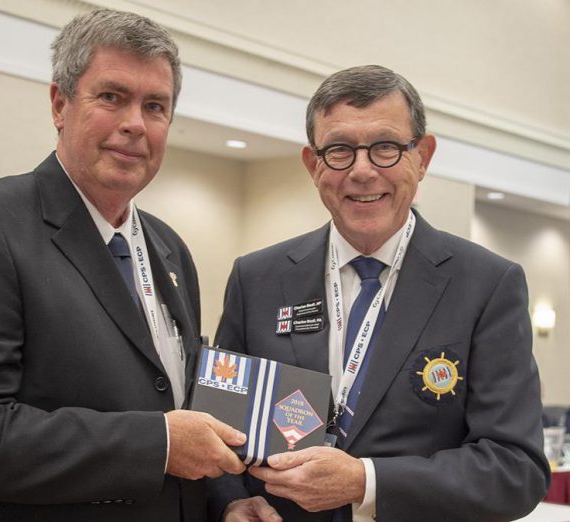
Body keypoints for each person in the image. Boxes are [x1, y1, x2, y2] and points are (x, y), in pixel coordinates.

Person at [0, 8, 247, 522]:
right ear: (60, 103)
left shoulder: (170, 249)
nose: (134, 124)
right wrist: (158, 443)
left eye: (155, 106)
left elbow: (183, 408)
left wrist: (227, 499)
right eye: (112, 97)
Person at [209, 65, 549, 522]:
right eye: (340, 150)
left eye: (386, 148)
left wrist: (366, 482)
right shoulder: (257, 279)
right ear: (314, 165)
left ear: (422, 156)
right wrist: (230, 498)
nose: (363, 171)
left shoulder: (487, 285)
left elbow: (515, 470)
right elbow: (219, 427)